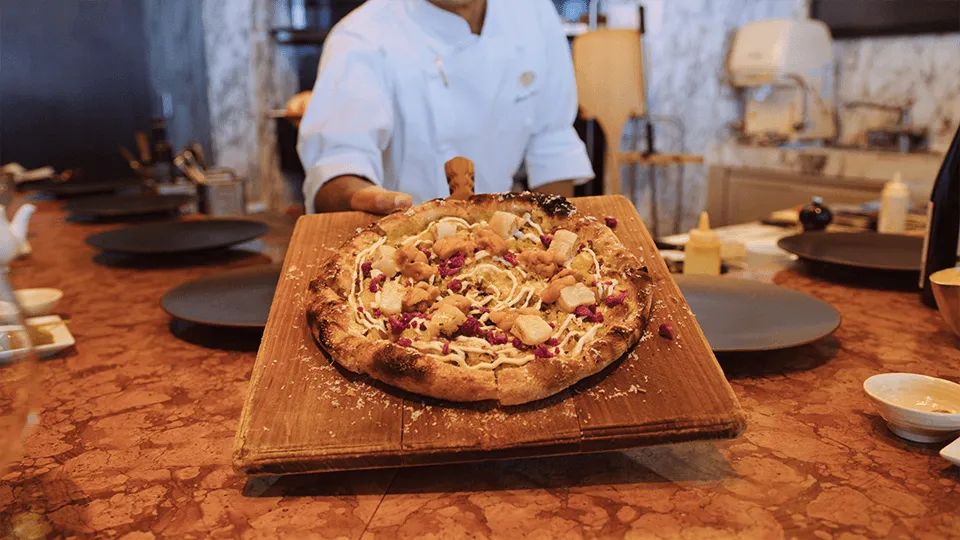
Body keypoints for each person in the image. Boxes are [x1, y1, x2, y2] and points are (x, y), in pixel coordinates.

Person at [296, 0, 594, 215]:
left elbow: (552, 142)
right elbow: (338, 166)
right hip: (402, 245)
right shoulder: (361, 36)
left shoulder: (532, 12)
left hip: (502, 233)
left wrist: (554, 235)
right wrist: (366, 198)